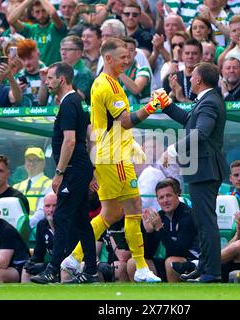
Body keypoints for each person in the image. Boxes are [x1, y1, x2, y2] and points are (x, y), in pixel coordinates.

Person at [61, 38, 169, 283]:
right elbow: (126, 121)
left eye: (128, 56)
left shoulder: (107, 82)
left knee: (110, 212)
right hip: (115, 159)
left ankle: (75, 257)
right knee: (133, 209)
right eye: (122, 57)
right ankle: (141, 267)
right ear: (108, 59)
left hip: (107, 156)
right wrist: (154, 105)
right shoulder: (108, 86)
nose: (127, 60)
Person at [30, 62, 98, 284]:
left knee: (60, 216)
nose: (46, 81)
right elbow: (90, 134)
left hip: (73, 170)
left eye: (49, 78)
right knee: (80, 219)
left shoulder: (69, 103)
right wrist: (91, 169)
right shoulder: (74, 101)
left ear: (61, 80)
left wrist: (59, 172)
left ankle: (53, 269)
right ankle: (90, 270)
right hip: (80, 168)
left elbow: (70, 141)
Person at [162, 62, 229, 283]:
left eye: (192, 77)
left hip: (205, 170)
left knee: (206, 221)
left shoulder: (209, 101)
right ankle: (204, 267)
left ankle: (212, 272)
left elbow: (200, 133)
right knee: (202, 220)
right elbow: (188, 121)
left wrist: (173, 149)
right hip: (201, 169)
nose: (189, 79)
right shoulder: (207, 100)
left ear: (199, 79)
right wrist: (167, 104)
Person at [139, 178, 199, 282]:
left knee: (171, 262)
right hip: (166, 261)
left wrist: (159, 229)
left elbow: (179, 251)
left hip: (190, 263)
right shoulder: (160, 216)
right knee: (135, 263)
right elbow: (148, 254)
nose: (165, 200)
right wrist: (149, 232)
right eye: (161, 197)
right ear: (157, 200)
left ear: (177, 195)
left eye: (169, 195)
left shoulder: (188, 215)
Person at [8, 0, 67, 66]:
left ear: (47, 10)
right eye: (37, 12)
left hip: (54, 73)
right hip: (36, 73)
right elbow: (11, 20)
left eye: (44, 11)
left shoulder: (56, 27)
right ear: (33, 13)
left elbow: (53, 13)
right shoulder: (30, 29)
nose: (41, 15)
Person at [13, 147, 52, 227]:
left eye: (36, 160)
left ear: (43, 163)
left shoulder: (50, 184)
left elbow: (42, 212)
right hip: (17, 230)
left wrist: (24, 227)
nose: (31, 163)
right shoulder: (16, 186)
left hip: (36, 231)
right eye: (29, 160)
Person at [21, 192, 56, 282]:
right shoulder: (42, 225)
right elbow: (38, 254)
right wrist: (31, 262)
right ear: (43, 208)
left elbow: (67, 255)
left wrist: (44, 266)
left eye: (54, 206)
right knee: (26, 270)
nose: (51, 210)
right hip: (51, 266)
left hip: (69, 265)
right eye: (47, 206)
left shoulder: (69, 225)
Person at [163, 38, 202, 103]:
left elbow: (206, 108)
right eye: (187, 53)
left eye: (194, 53)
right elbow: (163, 107)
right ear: (182, 55)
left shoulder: (206, 79)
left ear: (201, 56)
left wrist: (182, 99)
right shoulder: (171, 78)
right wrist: (172, 95)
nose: (190, 56)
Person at [118, 36, 152, 105]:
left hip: (142, 113)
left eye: (131, 50)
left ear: (135, 53)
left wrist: (118, 71)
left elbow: (136, 89)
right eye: (124, 49)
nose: (127, 52)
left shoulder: (143, 70)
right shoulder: (112, 72)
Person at [15, 39, 45, 107]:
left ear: (38, 54)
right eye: (23, 59)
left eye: (30, 58)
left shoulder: (49, 74)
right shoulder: (18, 77)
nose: (26, 63)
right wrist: (17, 92)